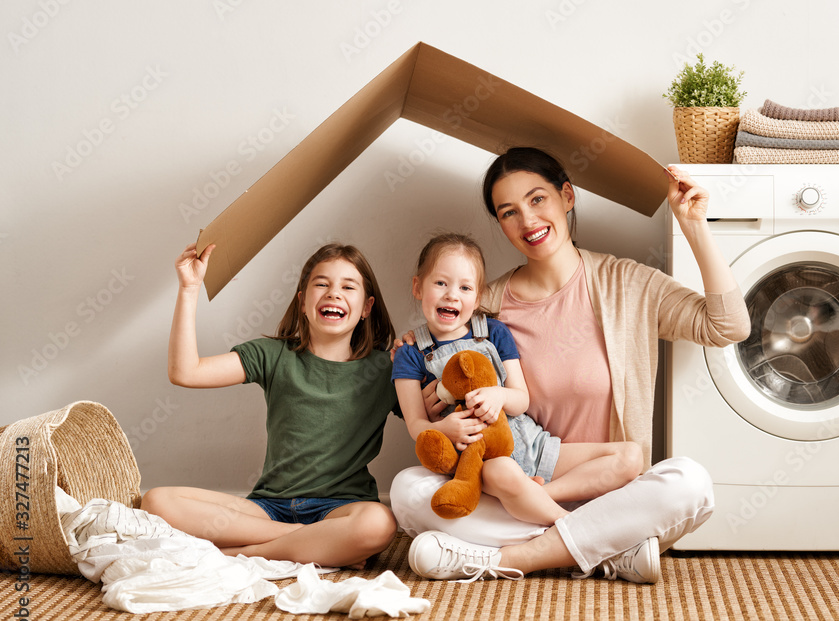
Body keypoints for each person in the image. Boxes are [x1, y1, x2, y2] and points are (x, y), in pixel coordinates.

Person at [390, 147, 751, 584]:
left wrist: (694, 225)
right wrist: (427, 385)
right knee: (407, 490)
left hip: (613, 497)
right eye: (508, 212)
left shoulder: (626, 285)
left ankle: (512, 558)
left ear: (567, 196)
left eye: (537, 199)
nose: (527, 221)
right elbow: (428, 390)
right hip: (511, 495)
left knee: (690, 482)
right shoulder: (482, 308)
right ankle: (601, 551)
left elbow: (728, 326)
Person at [142, 242, 400, 569]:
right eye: (321, 284)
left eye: (348, 287)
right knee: (156, 501)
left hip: (341, 508)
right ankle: (311, 540)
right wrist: (190, 288)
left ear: (366, 307)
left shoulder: (388, 369)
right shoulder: (273, 355)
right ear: (303, 302)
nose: (334, 293)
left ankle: (237, 555)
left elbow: (435, 417)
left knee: (379, 524)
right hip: (267, 508)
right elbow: (185, 372)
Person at [393, 233, 643, 527]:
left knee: (631, 456)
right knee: (504, 472)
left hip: (533, 444)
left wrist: (499, 395)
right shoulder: (409, 353)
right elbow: (416, 425)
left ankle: (540, 495)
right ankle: (576, 527)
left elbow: (521, 399)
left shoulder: (494, 332)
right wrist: (443, 428)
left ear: (478, 297)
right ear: (417, 287)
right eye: (440, 283)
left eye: (465, 287)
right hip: (484, 462)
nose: (452, 294)